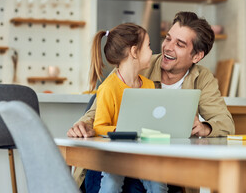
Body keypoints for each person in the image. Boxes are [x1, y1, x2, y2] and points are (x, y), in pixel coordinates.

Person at [67, 11, 235, 193]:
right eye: (168, 38)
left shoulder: (202, 79)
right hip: (119, 162)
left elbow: (226, 124)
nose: (167, 47)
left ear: (196, 56)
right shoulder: (138, 64)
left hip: (160, 165)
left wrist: (205, 128)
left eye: (179, 44)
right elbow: (97, 110)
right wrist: (82, 125)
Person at [88, 23, 168, 193]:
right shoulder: (108, 88)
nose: (152, 51)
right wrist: (124, 130)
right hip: (116, 154)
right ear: (134, 51)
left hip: (143, 154)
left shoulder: (149, 85)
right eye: (148, 46)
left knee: (159, 185)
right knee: (111, 184)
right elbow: (98, 126)